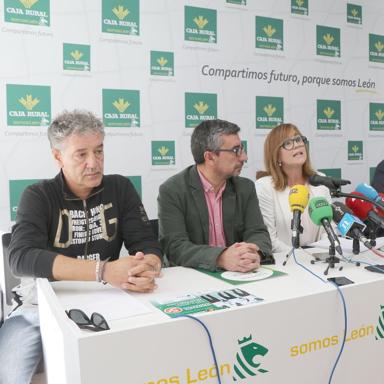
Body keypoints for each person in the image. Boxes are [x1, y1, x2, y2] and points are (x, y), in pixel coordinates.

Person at [0, 110, 162, 383]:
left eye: (99, 151)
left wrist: (148, 267)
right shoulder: (37, 196)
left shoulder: (120, 188)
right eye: (81, 154)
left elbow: (146, 242)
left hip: (111, 299)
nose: (94, 163)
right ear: (57, 156)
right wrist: (103, 271)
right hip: (41, 306)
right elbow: (21, 258)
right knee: (9, 374)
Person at [158, 119, 272, 272]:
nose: (244, 157)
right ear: (210, 157)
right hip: (193, 276)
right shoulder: (172, 190)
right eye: (235, 150)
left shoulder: (245, 187)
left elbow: (257, 232)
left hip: (239, 274)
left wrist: (255, 253)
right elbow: (175, 247)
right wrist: (220, 257)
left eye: (242, 149)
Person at [255, 123, 331, 253]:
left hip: (320, 260)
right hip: (286, 263)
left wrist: (318, 255)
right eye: (288, 143)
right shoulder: (265, 187)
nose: (297, 145)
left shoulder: (320, 180)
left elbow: (329, 229)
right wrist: (303, 257)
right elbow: (269, 240)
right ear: (276, 155)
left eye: (298, 139)